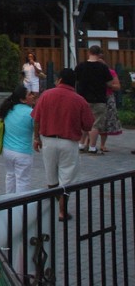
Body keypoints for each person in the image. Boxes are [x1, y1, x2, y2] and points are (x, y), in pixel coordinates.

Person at [31, 68, 95, 221]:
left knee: (51, 176)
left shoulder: (46, 95)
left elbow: (36, 118)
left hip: (48, 140)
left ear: (59, 80)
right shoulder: (79, 100)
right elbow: (88, 125)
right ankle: (62, 210)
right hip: (69, 142)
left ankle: (54, 206)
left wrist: (36, 138)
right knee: (67, 177)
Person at [0, 85, 36, 193]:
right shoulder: (30, 113)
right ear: (23, 99)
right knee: (22, 180)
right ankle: (20, 208)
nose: (33, 96)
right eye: (30, 94)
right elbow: (37, 129)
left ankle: (8, 203)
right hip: (23, 152)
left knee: (10, 176)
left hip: (7, 150)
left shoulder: (8, 110)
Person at [74, 45, 112, 154]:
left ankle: (81, 144)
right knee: (95, 124)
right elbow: (109, 83)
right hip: (99, 98)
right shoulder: (103, 67)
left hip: (83, 98)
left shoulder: (81, 66)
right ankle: (92, 146)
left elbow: (75, 80)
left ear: (89, 53)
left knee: (83, 122)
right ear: (99, 54)